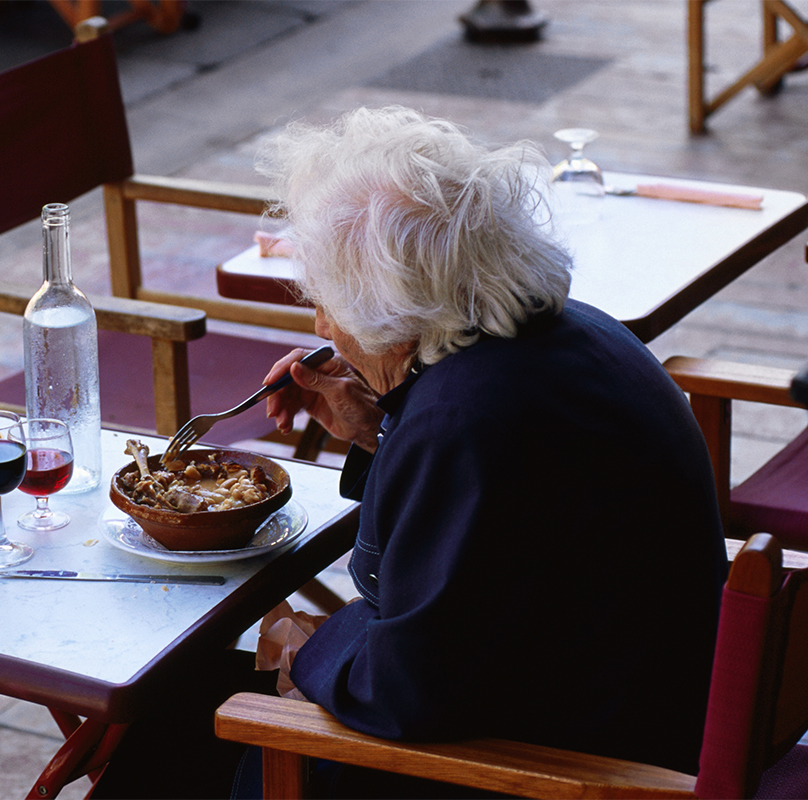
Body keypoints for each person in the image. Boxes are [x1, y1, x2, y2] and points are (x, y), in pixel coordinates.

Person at [93, 106, 728, 798]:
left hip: (569, 765)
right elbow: (505, 530)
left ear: (388, 309)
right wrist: (379, 426)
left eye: (327, 301)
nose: (322, 326)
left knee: (189, 726)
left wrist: (310, 651)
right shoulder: (572, 335)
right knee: (174, 717)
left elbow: (406, 693)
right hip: (633, 699)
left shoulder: (464, 420)